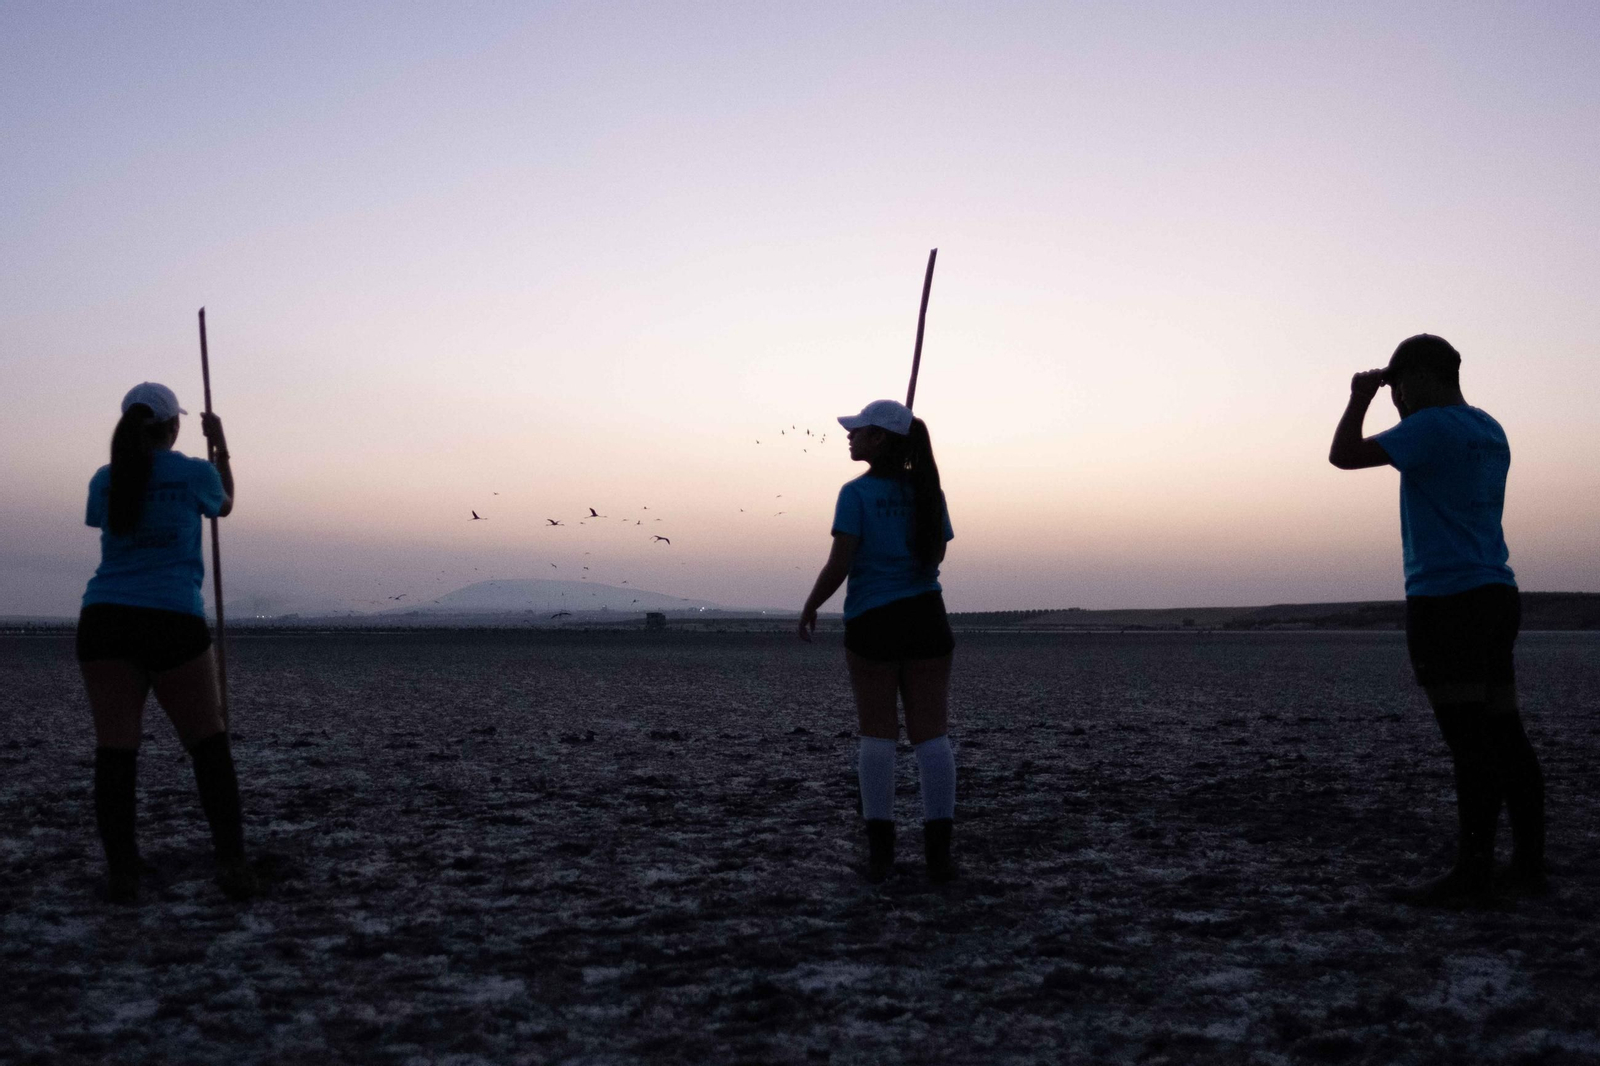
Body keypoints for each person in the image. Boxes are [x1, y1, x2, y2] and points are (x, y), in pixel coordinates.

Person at [1328, 335, 1546, 904]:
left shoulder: (1429, 428)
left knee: (1468, 740)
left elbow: (1343, 454)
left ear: (1422, 376)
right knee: (1506, 735)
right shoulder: (1489, 428)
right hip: (1496, 591)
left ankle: (1472, 873)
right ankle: (1527, 866)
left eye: (1399, 384)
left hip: (1447, 598)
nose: (1396, 395)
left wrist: (1359, 397)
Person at [77, 382, 255, 902]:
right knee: (208, 744)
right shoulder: (193, 472)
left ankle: (123, 873)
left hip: (104, 618)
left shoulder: (105, 480)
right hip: (171, 617)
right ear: (173, 426)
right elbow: (223, 504)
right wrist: (220, 447)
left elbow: (101, 523)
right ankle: (232, 863)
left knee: (115, 749)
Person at [798, 399, 957, 883]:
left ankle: (881, 854)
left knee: (878, 733)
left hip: (873, 620)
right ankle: (938, 855)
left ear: (880, 439)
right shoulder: (929, 492)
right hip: (927, 617)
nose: (850, 436)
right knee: (932, 735)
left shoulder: (856, 494)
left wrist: (810, 605)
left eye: (859, 430)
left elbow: (841, 563)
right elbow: (934, 560)